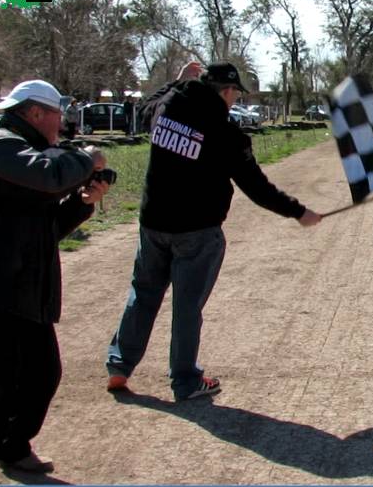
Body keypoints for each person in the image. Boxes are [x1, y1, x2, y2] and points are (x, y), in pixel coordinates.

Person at [105, 61, 322, 401]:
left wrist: (177, 82)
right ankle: (185, 380)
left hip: (154, 224)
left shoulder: (167, 106)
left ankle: (119, 365)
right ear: (227, 91)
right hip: (198, 231)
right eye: (235, 94)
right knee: (187, 306)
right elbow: (256, 187)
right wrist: (298, 212)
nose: (235, 100)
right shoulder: (226, 133)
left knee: (143, 293)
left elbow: (147, 104)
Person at [0, 80, 110, 484]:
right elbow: (48, 177)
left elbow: (46, 225)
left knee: (42, 373)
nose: (61, 122)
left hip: (21, 285)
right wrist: (88, 158)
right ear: (34, 113)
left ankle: (13, 446)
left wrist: (82, 205)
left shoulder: (25, 153)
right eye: (57, 114)